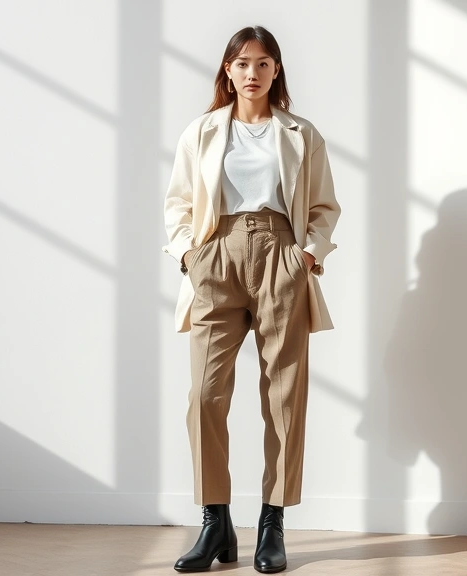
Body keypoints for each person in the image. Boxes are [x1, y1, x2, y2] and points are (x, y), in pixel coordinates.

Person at [162, 25, 340, 574]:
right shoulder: (203, 132)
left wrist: (306, 256)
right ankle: (214, 521)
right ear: (227, 70)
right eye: (242, 63)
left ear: (276, 70)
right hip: (216, 258)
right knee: (205, 396)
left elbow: (324, 208)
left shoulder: (301, 133)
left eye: (263, 63)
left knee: (284, 396)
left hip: (280, 257)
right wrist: (190, 255)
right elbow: (179, 204)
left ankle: (272, 524)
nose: (252, 73)